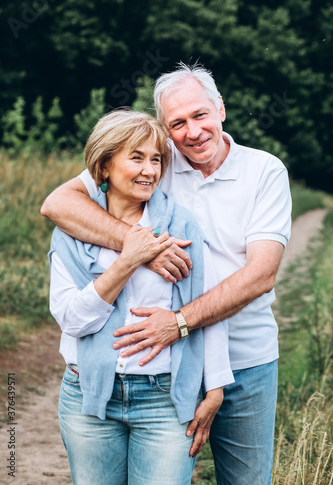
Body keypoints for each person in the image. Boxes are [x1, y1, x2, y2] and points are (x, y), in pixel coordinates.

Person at [42, 63, 292, 485]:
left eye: (200, 115)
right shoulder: (151, 160)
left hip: (245, 359)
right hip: (168, 367)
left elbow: (261, 275)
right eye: (177, 122)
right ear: (164, 127)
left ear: (221, 110)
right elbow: (58, 204)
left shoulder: (264, 171)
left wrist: (178, 324)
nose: (192, 131)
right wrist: (140, 247)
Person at [48, 109, 234, 485]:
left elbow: (208, 310)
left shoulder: (182, 228)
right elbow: (72, 321)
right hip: (88, 395)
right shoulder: (72, 233)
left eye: (156, 159)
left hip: (163, 400)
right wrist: (130, 258)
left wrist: (214, 390)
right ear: (104, 167)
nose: (150, 170)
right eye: (136, 158)